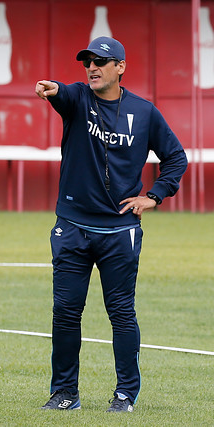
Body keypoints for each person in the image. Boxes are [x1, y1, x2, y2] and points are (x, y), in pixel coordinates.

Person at [35, 36, 188, 412]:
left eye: (101, 62)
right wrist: (53, 89)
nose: (93, 68)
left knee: (121, 312)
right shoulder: (77, 100)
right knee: (66, 311)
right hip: (71, 226)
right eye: (88, 61)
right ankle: (64, 394)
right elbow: (62, 93)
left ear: (120, 67)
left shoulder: (144, 112)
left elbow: (176, 158)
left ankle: (125, 395)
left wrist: (152, 197)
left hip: (120, 231)